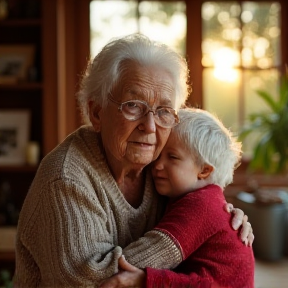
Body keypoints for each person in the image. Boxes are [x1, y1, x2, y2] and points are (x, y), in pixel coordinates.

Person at [13, 34, 253, 288]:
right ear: (97, 112)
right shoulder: (65, 178)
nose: (150, 126)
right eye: (133, 105)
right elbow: (89, 280)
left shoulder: (159, 167)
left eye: (163, 111)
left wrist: (222, 220)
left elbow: (201, 207)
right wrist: (200, 224)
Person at [100, 107, 255, 288]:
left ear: (204, 170)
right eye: (159, 155)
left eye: (172, 157)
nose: (157, 165)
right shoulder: (206, 199)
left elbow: (147, 255)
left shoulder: (201, 205)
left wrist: (144, 280)